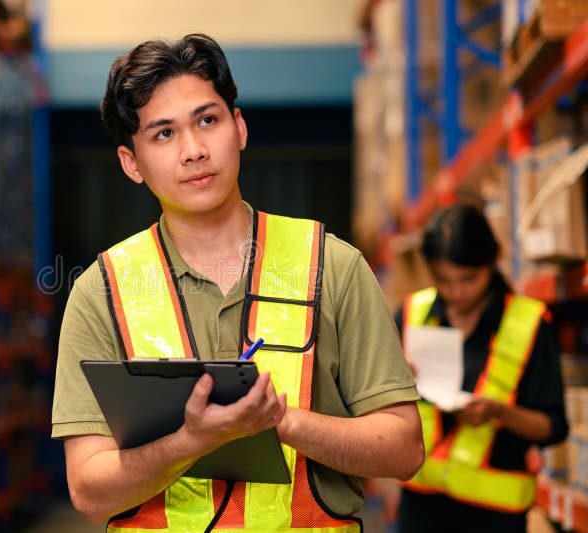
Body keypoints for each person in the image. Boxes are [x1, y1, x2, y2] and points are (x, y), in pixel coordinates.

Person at [51, 33, 424, 532]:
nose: (193, 150)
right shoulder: (102, 292)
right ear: (131, 163)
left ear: (240, 127)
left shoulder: (333, 267)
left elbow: (404, 450)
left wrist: (279, 420)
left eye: (207, 120)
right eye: (164, 134)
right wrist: (191, 440)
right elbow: (88, 490)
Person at [393, 203, 569, 533]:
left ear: (491, 262)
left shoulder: (530, 323)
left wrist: (499, 413)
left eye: (469, 278)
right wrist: (394, 383)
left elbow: (554, 427)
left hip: (495, 518)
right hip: (420, 509)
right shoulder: (412, 313)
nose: (456, 292)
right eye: (443, 280)